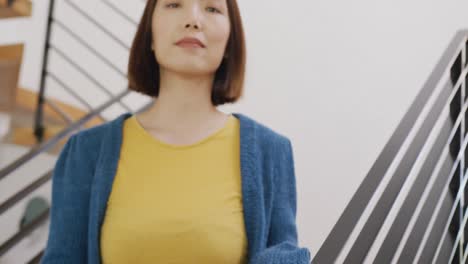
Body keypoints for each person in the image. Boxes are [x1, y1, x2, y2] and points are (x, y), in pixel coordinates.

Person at [41, 0, 311, 263]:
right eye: (173, 4)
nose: (192, 19)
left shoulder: (271, 152)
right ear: (150, 36)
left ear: (230, 42)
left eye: (212, 8)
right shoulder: (85, 152)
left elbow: (284, 250)